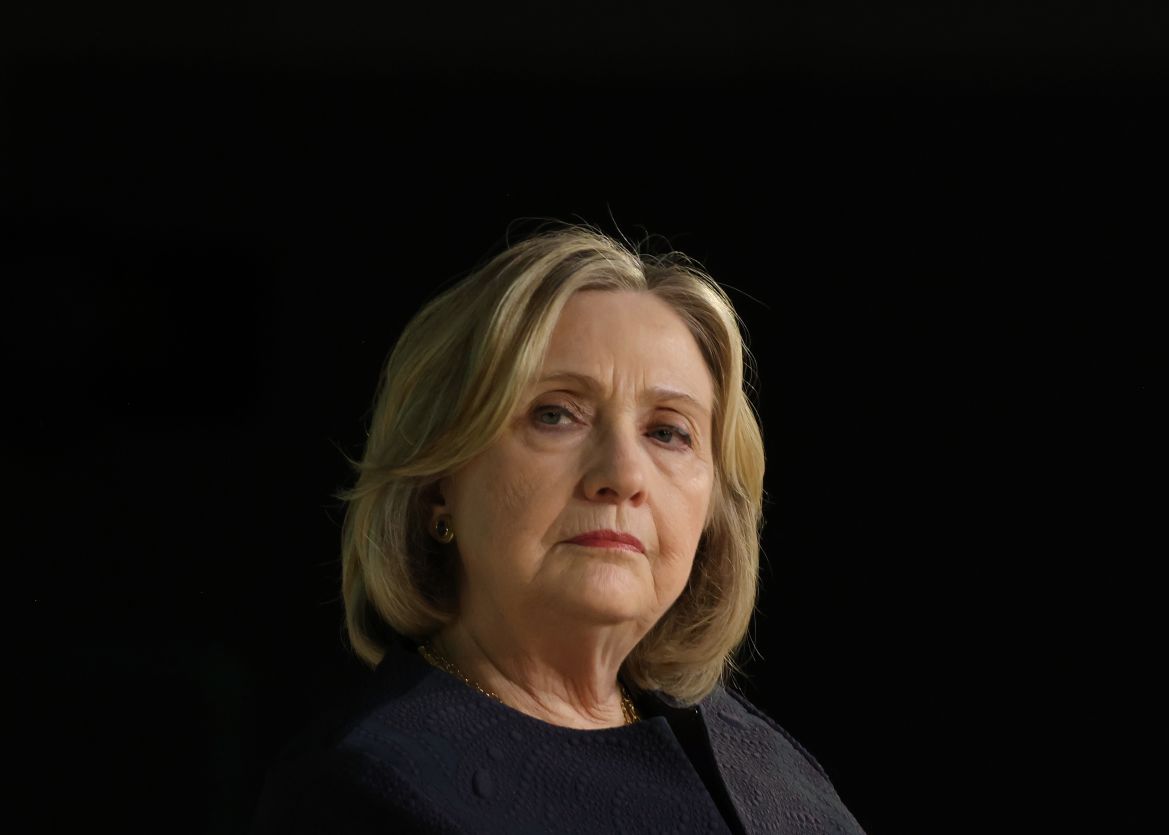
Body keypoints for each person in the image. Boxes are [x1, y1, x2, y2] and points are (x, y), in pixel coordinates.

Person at [251, 222, 868, 834]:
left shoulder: (766, 765)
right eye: (556, 415)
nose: (623, 475)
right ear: (436, 485)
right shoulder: (363, 792)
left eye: (667, 432)